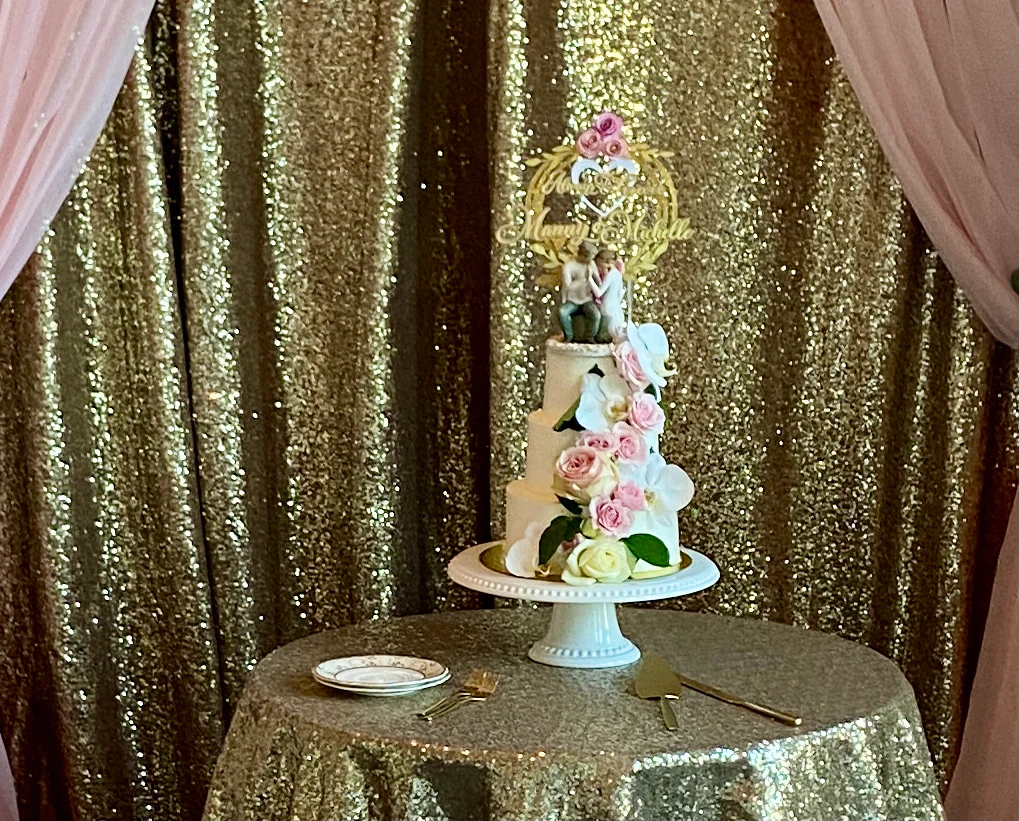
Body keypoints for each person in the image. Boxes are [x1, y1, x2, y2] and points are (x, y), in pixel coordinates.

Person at [558, 240, 601, 342]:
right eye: (590, 257)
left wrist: (595, 278)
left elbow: (598, 281)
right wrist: (583, 279)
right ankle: (569, 335)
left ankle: (590, 336)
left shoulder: (591, 264)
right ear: (583, 255)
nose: (591, 260)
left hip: (587, 299)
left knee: (596, 315)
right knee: (562, 312)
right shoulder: (569, 266)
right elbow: (568, 287)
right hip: (573, 300)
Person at [591, 248, 625, 342]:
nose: (600, 270)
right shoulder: (618, 274)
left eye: (601, 268)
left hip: (608, 307)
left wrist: (589, 279)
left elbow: (599, 293)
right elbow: (619, 293)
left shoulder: (612, 275)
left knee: (609, 333)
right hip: (615, 307)